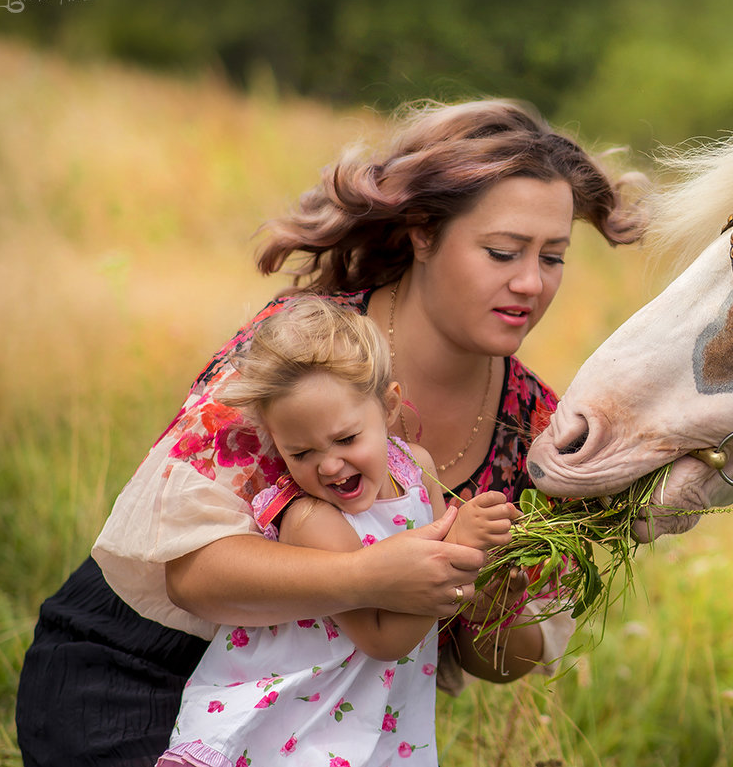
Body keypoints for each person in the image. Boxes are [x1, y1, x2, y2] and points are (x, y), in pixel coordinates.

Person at [15, 98, 644, 767]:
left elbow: (501, 658)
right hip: (143, 677)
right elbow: (195, 578)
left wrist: (482, 575)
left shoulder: (537, 425)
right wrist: (372, 574)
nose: (529, 282)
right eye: (501, 251)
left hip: (326, 737)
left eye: (553, 257)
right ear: (423, 232)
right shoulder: (307, 348)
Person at [158, 296, 517, 767]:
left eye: (347, 439)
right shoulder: (313, 520)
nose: (329, 465)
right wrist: (462, 546)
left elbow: (438, 583)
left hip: (381, 710)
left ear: (388, 407)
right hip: (307, 717)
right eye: (300, 453)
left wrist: (485, 571)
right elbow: (383, 638)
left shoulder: (416, 468)